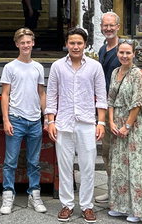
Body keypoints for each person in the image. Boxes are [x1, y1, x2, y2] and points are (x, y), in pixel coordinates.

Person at [46, 27, 107, 224]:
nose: (75, 46)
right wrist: (50, 121)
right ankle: (67, 204)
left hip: (87, 122)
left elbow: (101, 96)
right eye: (72, 43)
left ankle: (87, 206)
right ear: (66, 44)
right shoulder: (57, 66)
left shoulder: (95, 66)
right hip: (63, 122)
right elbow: (51, 95)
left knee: (88, 166)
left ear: (85, 45)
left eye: (79, 43)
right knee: (64, 166)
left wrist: (102, 122)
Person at [0, 28, 47, 215]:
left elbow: (41, 93)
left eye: (28, 42)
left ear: (33, 43)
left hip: (35, 119)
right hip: (16, 119)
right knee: (10, 161)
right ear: (17, 44)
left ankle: (34, 193)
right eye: (22, 42)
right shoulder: (11, 67)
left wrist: (48, 118)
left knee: (34, 161)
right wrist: (6, 119)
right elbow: (5, 94)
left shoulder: (38, 67)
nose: (26, 45)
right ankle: (7, 194)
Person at [106, 39, 142, 223]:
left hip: (133, 125)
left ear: (133, 54)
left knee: (135, 166)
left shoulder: (137, 74)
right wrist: (111, 121)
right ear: (117, 53)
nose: (124, 56)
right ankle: (120, 205)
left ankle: (138, 210)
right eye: (121, 53)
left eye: (128, 53)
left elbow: (138, 102)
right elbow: (110, 99)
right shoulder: (116, 71)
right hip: (117, 123)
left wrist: (127, 126)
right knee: (118, 165)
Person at [95, 11, 122, 205]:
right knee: (107, 151)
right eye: (105, 25)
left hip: (120, 109)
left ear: (118, 26)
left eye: (112, 25)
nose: (108, 28)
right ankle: (112, 189)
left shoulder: (124, 50)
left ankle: (122, 192)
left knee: (120, 152)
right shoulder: (102, 50)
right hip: (105, 106)